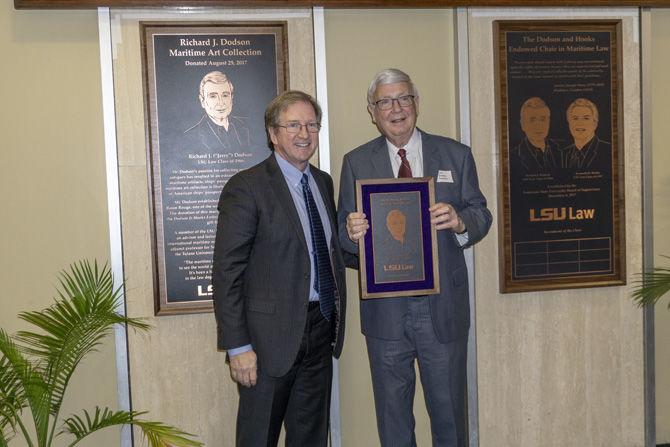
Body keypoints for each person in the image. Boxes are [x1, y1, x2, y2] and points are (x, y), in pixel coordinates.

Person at [338, 68, 492, 447]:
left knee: (450, 418)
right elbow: (342, 236)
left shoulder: (455, 154)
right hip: (386, 314)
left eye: (403, 98)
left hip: (442, 310)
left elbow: (481, 214)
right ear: (372, 111)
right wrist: (353, 233)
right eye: (385, 101)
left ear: (416, 104)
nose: (396, 108)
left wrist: (459, 221)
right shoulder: (356, 162)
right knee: (393, 423)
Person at [213, 90, 349, 447]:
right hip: (267, 342)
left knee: (311, 438)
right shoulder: (247, 187)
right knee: (259, 438)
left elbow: (326, 253)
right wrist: (238, 346)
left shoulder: (323, 183)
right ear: (273, 134)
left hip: (320, 331)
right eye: (293, 125)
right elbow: (227, 273)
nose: (304, 133)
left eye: (311, 125)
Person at [184, 71, 252, 153]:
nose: (220, 103)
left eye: (225, 95)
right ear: (202, 101)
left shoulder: (247, 126)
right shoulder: (190, 136)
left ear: (232, 98)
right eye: (213, 96)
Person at [510, 97, 565, 171]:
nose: (538, 126)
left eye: (543, 119)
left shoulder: (563, 149)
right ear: (523, 124)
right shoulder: (513, 156)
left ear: (549, 122)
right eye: (532, 120)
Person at [563, 98, 611, 172]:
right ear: (569, 123)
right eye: (575, 118)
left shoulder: (608, 150)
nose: (580, 123)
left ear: (595, 123)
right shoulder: (563, 153)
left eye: (586, 118)